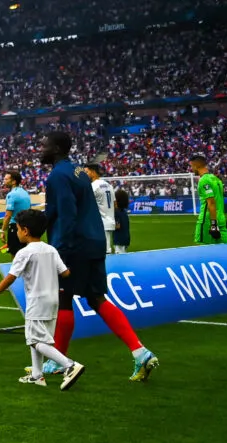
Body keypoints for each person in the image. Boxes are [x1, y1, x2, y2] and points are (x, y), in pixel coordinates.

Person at [41, 132, 158, 381]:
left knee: (64, 298)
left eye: (45, 145)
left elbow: (66, 213)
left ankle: (58, 361)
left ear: (57, 148)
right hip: (94, 242)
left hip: (73, 245)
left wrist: (59, 250)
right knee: (96, 298)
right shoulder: (79, 172)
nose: (41, 149)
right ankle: (140, 352)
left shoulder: (58, 175)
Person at [0, 209, 86, 390]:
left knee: (35, 340)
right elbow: (65, 273)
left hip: (37, 301)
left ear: (25, 230)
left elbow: (11, 277)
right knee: (40, 339)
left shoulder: (25, 253)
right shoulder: (51, 249)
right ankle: (37, 375)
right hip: (53, 300)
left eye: (18, 229)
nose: (17, 232)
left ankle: (70, 365)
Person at [190, 154, 227, 247]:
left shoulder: (204, 180)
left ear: (196, 166)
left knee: (204, 249)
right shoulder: (216, 179)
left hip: (208, 220)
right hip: (221, 218)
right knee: (225, 249)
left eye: (192, 166)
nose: (192, 169)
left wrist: (213, 224)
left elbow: (211, 202)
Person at [0, 170, 32, 256]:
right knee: (25, 254)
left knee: (15, 255)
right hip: (26, 226)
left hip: (15, 227)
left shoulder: (12, 194)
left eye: (6, 179)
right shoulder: (25, 192)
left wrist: (2, 231)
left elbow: (8, 215)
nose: (4, 181)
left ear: (13, 181)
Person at [86, 163, 116, 255]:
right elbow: (115, 204)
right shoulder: (109, 185)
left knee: (103, 252)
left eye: (87, 172)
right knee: (106, 249)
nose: (85, 174)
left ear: (93, 172)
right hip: (110, 221)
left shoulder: (93, 186)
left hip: (100, 223)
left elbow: (86, 205)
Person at [112, 189, 131, 254]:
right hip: (126, 239)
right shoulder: (124, 212)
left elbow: (117, 226)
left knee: (119, 257)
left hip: (119, 240)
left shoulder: (116, 212)